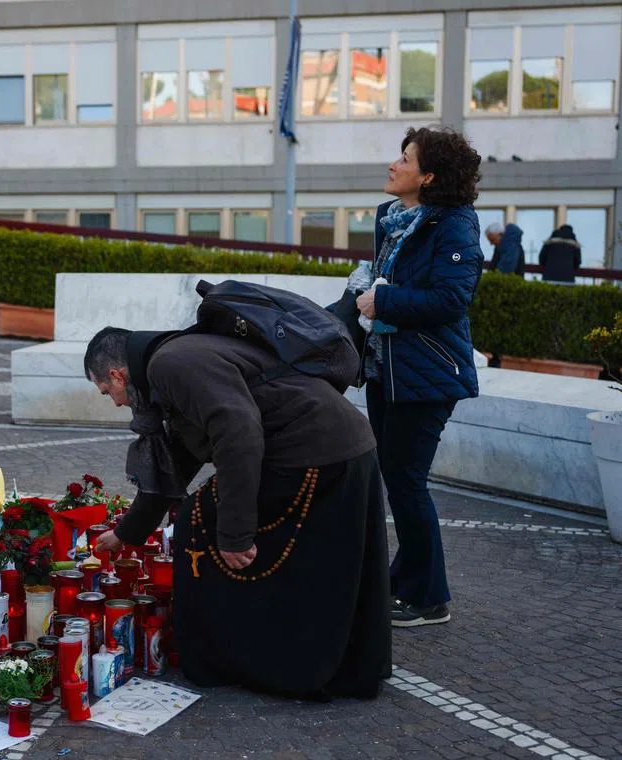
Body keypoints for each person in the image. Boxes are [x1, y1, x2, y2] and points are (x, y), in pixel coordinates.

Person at [86, 326, 391, 699]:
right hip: (338, 444)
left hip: (313, 451)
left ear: (117, 375)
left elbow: (238, 430)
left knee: (195, 524)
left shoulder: (169, 365)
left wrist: (234, 533)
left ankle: (230, 659)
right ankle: (324, 657)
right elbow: (178, 461)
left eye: (108, 392)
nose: (116, 402)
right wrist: (127, 533)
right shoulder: (172, 358)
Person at [354, 126, 483, 627]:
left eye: (404, 158)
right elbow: (381, 277)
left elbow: (452, 300)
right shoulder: (394, 218)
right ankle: (403, 580)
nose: (393, 164)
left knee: (407, 483)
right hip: (388, 369)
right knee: (398, 479)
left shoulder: (455, 225)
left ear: (428, 176)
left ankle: (429, 598)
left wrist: (382, 300)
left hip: (428, 372)